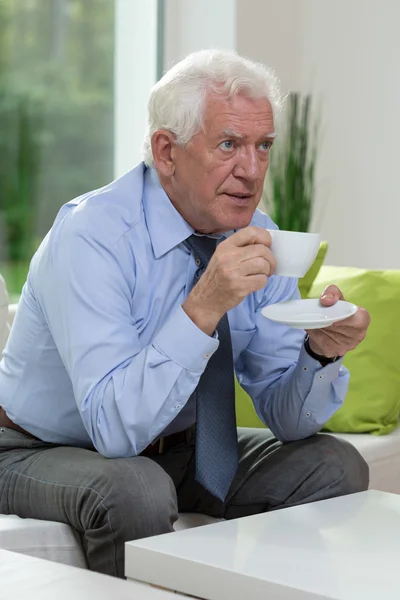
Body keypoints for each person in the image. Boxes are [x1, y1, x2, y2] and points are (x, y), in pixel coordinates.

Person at [0, 49, 370, 578]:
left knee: (332, 465)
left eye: (263, 146)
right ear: (166, 151)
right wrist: (204, 304)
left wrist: (320, 353)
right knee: (134, 485)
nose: (252, 169)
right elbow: (114, 432)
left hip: (179, 448)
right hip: (35, 448)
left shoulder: (258, 233)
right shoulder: (92, 236)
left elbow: (288, 421)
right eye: (229, 145)